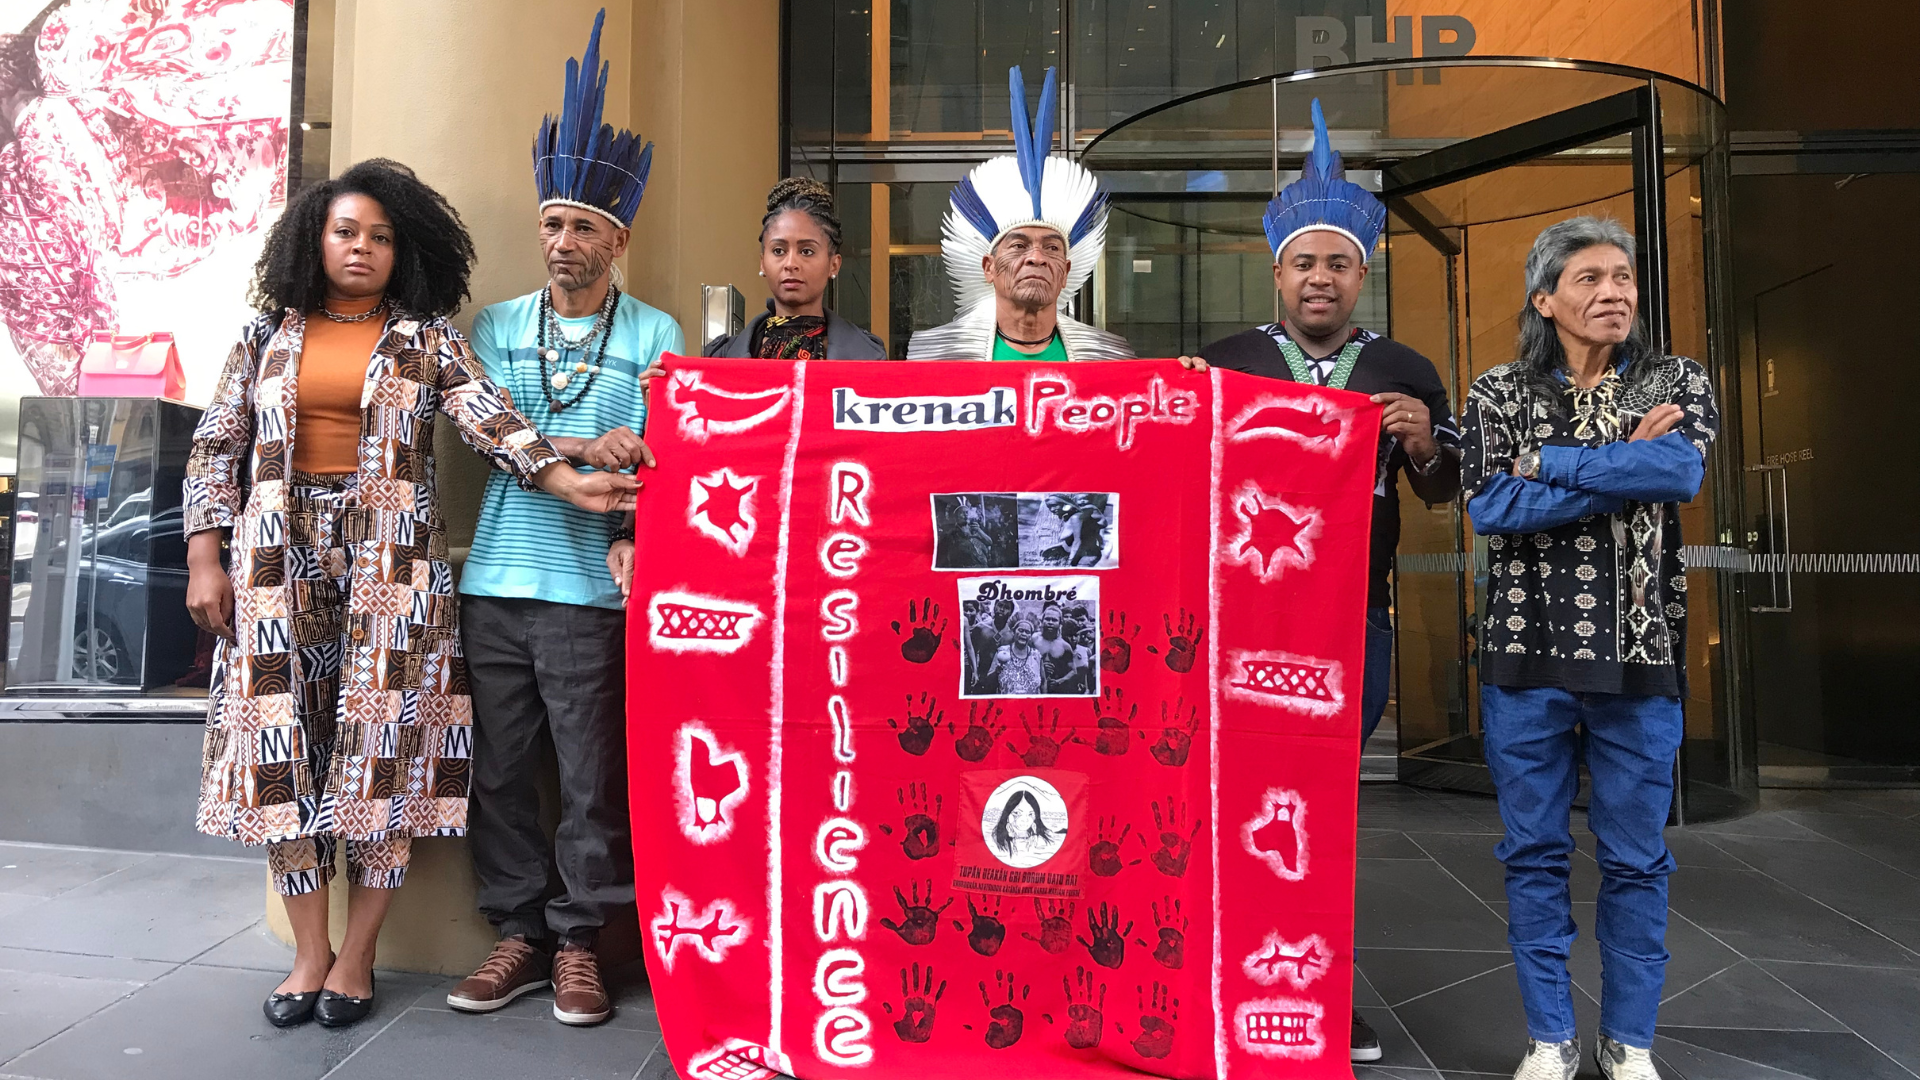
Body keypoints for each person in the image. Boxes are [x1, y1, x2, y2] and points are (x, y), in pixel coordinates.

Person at [182, 158, 637, 1031]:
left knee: (379, 753)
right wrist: (207, 555)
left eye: (381, 237)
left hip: (392, 570)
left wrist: (574, 483)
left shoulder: (424, 338)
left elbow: (495, 425)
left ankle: (357, 957)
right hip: (275, 562)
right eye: (347, 231)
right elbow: (214, 447)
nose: (362, 248)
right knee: (284, 748)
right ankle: (309, 953)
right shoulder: (265, 334)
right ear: (315, 238)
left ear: (405, 252)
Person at [1192, 99, 1463, 1065]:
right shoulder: (1226, 366)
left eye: (1338, 262)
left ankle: (1317, 991)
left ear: (1362, 272)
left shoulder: (1403, 368)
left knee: (1323, 819)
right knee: (1233, 807)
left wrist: (1426, 441)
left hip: (1356, 627)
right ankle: (1225, 979)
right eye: (1305, 261)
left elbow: (1441, 489)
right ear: (1278, 273)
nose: (1321, 277)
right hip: (1237, 635)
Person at [447, 10, 681, 1028]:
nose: (562, 240)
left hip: (592, 587)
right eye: (551, 223)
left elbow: (663, 461)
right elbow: (489, 431)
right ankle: (518, 934)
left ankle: (582, 939)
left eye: (583, 224)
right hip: (497, 580)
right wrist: (586, 449)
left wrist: (624, 490)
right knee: (498, 773)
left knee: (590, 776)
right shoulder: (494, 324)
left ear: (617, 240)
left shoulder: (658, 331)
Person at [1460, 216, 1717, 1080]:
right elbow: (1490, 509)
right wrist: (1614, 466)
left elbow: (1677, 475)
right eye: (1591, 280)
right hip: (1524, 661)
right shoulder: (1496, 390)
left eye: (1624, 279)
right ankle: (1550, 1038)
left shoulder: (1676, 380)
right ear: (1546, 299)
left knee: (1638, 859)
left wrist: (1549, 465)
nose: (1614, 293)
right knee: (1532, 854)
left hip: (1641, 660)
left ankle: (1631, 1040)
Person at [906, 66, 1132, 362]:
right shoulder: (936, 362)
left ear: (1064, 272)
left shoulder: (1109, 362)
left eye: (1051, 248)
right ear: (988, 267)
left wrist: (1189, 377)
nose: (1036, 258)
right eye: (1018, 245)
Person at [705, 178, 885, 359]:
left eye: (806, 251)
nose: (790, 263)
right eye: (778, 251)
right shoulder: (722, 357)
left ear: (834, 265)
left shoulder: (867, 357)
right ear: (762, 263)